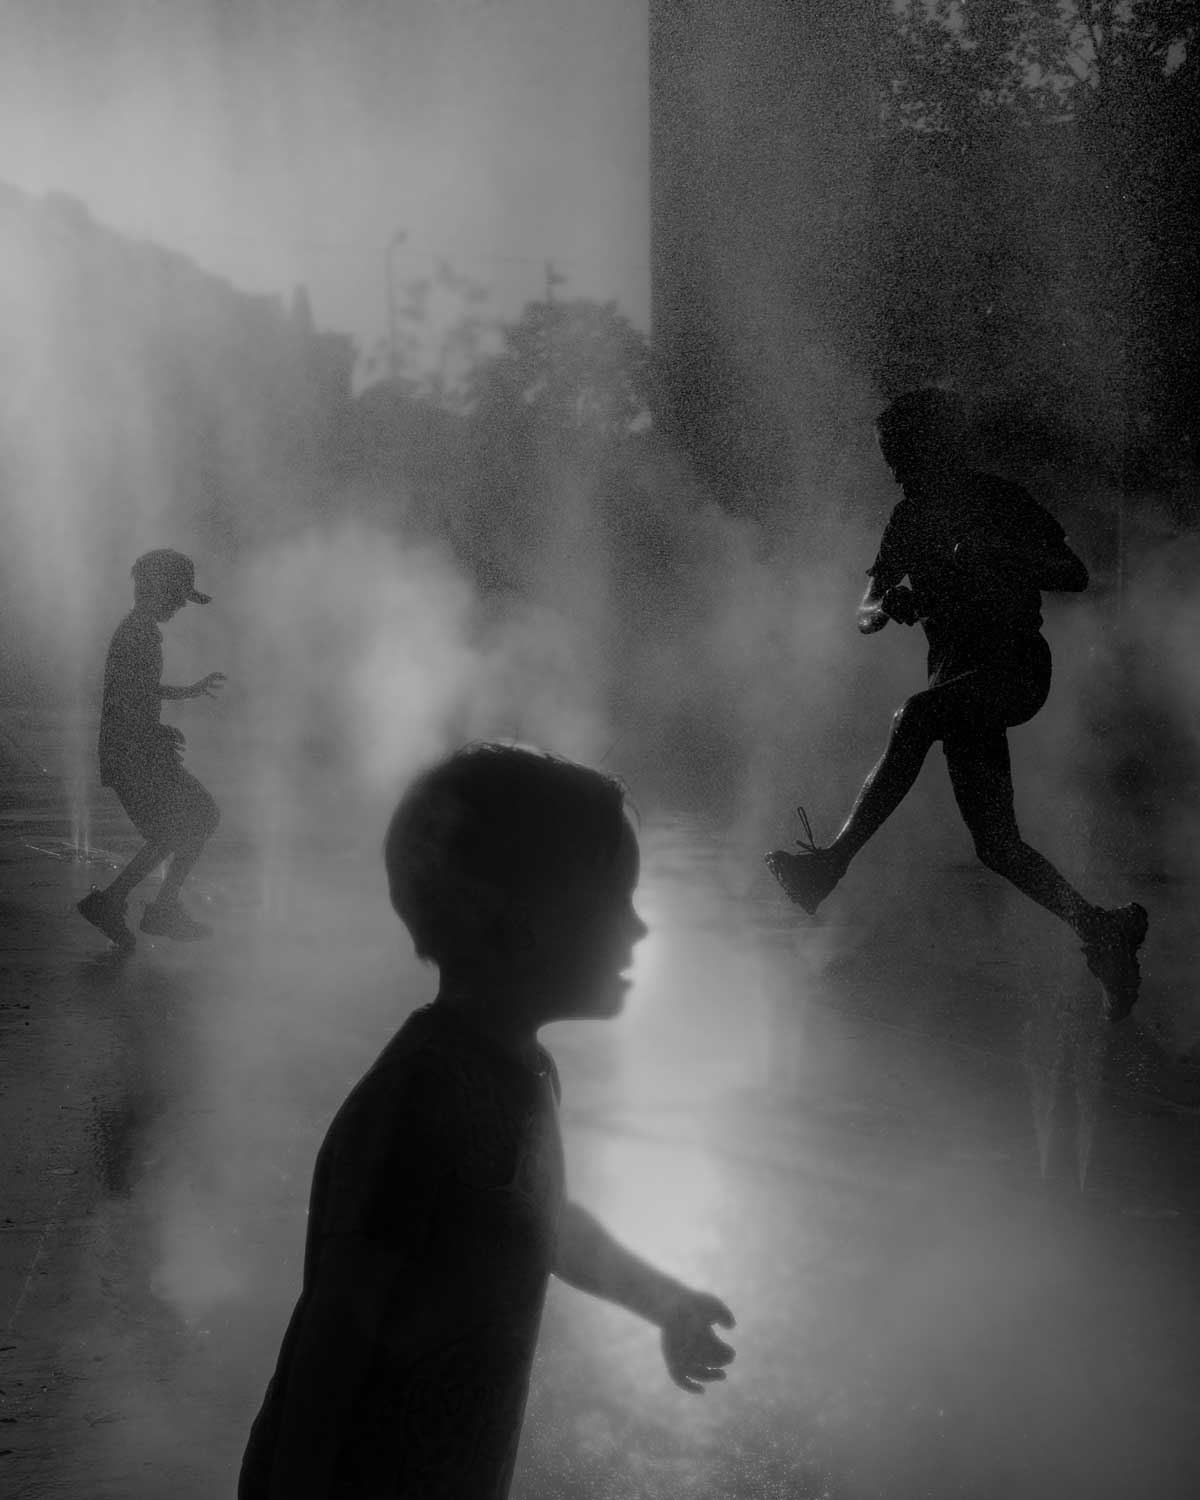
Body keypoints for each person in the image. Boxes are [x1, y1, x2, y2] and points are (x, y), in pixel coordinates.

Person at [238, 743, 736, 1500]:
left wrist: (661, 1300)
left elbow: (546, 1220)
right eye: (616, 902)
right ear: (521, 926)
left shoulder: (524, 1073)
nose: (639, 930)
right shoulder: (418, 1104)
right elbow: (330, 1350)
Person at [766, 388, 1148, 1021]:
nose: (894, 470)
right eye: (888, 459)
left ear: (937, 446)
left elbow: (1075, 573)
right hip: (955, 680)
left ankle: (830, 865)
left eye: (901, 455)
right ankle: (1104, 929)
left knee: (916, 716)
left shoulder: (1001, 501)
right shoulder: (907, 518)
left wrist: (1004, 556)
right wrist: (892, 604)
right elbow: (864, 611)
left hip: (1013, 669)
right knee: (997, 846)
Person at [76, 548, 225, 949]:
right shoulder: (137, 633)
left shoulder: (138, 630)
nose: (180, 603)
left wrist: (186, 693)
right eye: (177, 594)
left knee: (184, 825)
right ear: (157, 588)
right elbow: (126, 694)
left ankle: (123, 903)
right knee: (194, 820)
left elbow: (137, 687)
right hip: (134, 751)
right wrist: (154, 732)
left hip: (133, 748)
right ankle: (151, 908)